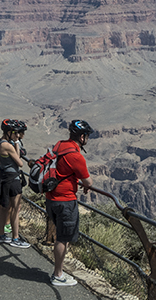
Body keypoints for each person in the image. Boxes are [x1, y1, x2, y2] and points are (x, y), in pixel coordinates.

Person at [47, 120, 94, 287]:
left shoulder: (60, 145)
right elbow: (87, 181)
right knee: (62, 238)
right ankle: (57, 274)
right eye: (87, 136)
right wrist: (86, 186)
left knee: (61, 236)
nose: (87, 138)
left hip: (51, 198)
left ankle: (58, 271)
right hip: (65, 201)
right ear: (82, 137)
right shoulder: (75, 156)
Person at [0, 119, 30, 248]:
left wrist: (15, 143)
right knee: (15, 208)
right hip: (12, 179)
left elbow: (16, 155)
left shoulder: (1, 142)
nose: (18, 136)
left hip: (4, 177)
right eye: (16, 133)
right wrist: (16, 143)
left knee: (5, 206)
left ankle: (2, 235)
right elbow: (19, 162)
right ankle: (15, 238)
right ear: (10, 132)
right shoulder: (7, 145)